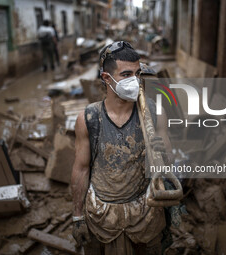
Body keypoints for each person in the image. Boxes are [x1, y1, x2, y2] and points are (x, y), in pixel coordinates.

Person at [71, 41, 172, 254]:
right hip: (102, 216)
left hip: (145, 214)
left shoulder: (153, 114)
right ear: (107, 78)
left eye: (137, 73)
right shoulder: (89, 118)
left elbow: (168, 164)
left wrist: (161, 153)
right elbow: (81, 169)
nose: (135, 81)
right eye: (126, 75)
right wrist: (78, 216)